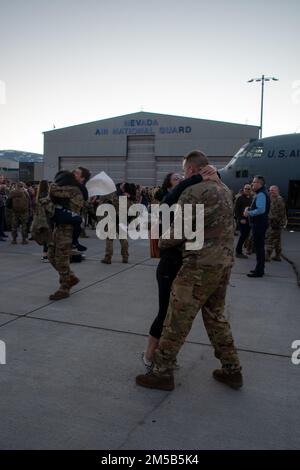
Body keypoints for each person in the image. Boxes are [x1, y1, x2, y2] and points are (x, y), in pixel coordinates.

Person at [136, 150, 242, 391]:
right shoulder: (224, 190)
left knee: (177, 319)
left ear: (192, 170)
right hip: (223, 263)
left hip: (199, 265)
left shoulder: (193, 191)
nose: (183, 175)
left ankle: (162, 373)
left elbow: (178, 231)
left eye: (184, 171)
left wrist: (161, 240)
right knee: (216, 317)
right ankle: (232, 369)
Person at [47, 171, 84, 300]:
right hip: (59, 227)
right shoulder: (68, 190)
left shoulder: (73, 190)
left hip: (68, 228)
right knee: (51, 255)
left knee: (61, 258)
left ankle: (64, 288)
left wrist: (50, 186)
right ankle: (70, 277)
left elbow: (54, 191)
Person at [244, 176, 270, 278]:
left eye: (254, 182)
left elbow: (261, 210)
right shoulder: (262, 193)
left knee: (259, 248)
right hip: (260, 224)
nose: (252, 184)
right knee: (259, 248)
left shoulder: (261, 195)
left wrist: (248, 213)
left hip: (259, 224)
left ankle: (259, 271)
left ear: (260, 184)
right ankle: (259, 269)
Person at [265, 185, 287, 262]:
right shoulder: (271, 198)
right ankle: (277, 256)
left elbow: (281, 213)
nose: (271, 192)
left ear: (277, 191)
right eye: (270, 190)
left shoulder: (279, 199)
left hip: (276, 223)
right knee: (277, 240)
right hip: (273, 222)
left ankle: (267, 256)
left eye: (273, 190)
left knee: (270, 239)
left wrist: (276, 223)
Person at [72, 166, 91, 251]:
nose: (73, 174)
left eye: (77, 173)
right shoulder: (70, 185)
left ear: (82, 178)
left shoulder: (81, 189)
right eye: (74, 172)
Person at [234, 184, 253, 258]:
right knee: (243, 236)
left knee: (246, 236)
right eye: (246, 189)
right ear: (243, 189)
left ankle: (243, 250)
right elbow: (236, 210)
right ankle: (238, 251)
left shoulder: (251, 198)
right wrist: (240, 219)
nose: (247, 190)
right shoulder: (240, 198)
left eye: (249, 189)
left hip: (249, 220)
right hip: (242, 220)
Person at [36, 180, 50, 262]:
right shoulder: (47, 195)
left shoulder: (38, 195)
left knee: (45, 236)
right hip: (47, 218)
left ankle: (45, 255)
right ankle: (46, 255)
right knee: (48, 237)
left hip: (40, 218)